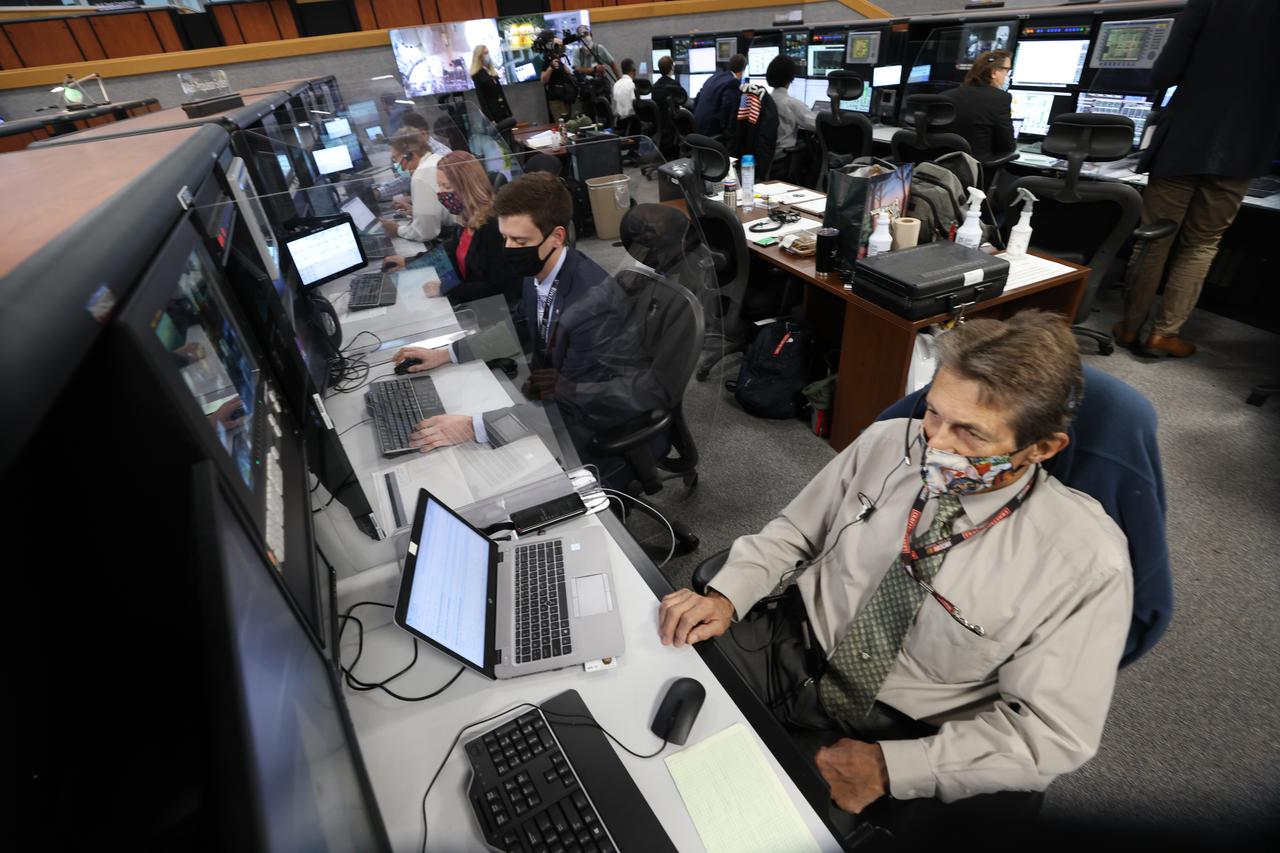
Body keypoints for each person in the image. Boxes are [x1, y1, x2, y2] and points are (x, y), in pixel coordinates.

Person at [657, 312, 1133, 839]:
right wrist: (727, 594)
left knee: (753, 834)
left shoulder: (1086, 561)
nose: (936, 444)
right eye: (933, 414)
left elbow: (1048, 733)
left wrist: (895, 768)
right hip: (790, 643)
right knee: (649, 694)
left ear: (1042, 448)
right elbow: (795, 530)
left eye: (969, 432)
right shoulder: (888, 443)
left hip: (908, 726)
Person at [389, 173, 656, 482]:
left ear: (556, 237)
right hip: (554, 396)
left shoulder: (590, 306)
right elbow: (519, 327)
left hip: (596, 421)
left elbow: (574, 404)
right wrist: (446, 354)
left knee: (474, 479)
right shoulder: (540, 269)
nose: (509, 249)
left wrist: (472, 426)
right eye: (506, 237)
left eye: (520, 241)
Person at [1116, 0, 1280, 358]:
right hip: (1245, 147)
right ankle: (1164, 334)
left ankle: (1129, 327)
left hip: (1184, 140)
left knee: (1155, 236)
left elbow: (1162, 75)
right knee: (1202, 244)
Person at [382, 150, 521, 312]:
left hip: (494, 311)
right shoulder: (466, 217)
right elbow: (452, 248)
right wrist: (409, 262)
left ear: (468, 187)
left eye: (447, 186)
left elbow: (497, 287)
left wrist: (446, 288)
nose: (440, 193)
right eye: (439, 185)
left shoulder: (493, 228)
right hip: (474, 303)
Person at [939, 49, 1015, 163]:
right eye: (1007, 71)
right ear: (994, 72)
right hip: (978, 172)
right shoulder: (1001, 98)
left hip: (943, 167)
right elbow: (1007, 147)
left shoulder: (945, 96)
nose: (1008, 76)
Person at [379, 127, 451, 245]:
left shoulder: (421, 176)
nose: (394, 162)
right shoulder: (436, 159)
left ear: (409, 155)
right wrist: (418, 213)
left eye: (395, 156)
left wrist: (397, 230)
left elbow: (426, 232)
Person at [766, 55, 816, 158]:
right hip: (782, 156)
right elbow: (816, 124)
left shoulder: (765, 100)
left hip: (766, 156)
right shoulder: (791, 104)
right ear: (791, 78)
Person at [693, 53, 746, 138]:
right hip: (711, 135)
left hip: (696, 130)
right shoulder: (733, 82)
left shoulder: (712, 77)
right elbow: (728, 110)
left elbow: (697, 99)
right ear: (742, 71)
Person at [470, 43, 512, 126]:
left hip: (502, 108)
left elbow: (501, 93)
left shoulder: (492, 72)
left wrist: (508, 111)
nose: (487, 55)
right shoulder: (478, 74)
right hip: (493, 112)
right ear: (479, 56)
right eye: (485, 53)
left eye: (488, 53)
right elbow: (481, 98)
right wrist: (489, 118)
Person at [539, 35, 578, 121]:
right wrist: (551, 67)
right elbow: (543, 80)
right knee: (563, 126)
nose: (561, 47)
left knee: (569, 125)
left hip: (566, 97)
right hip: (557, 100)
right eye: (558, 45)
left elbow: (568, 72)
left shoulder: (559, 60)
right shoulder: (548, 61)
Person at [612, 58, 638, 134]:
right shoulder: (631, 84)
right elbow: (634, 106)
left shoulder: (616, 84)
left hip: (619, 123)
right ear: (633, 69)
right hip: (632, 125)